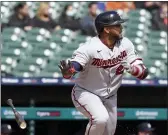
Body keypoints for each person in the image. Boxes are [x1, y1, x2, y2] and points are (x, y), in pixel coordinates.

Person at [58, 11, 148, 135]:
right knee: (100, 119)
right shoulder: (89, 48)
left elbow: (143, 73)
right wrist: (69, 70)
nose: (121, 27)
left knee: (108, 132)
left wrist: (133, 69)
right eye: (117, 25)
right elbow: (74, 67)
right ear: (106, 29)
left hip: (111, 96)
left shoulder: (126, 44)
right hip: (86, 93)